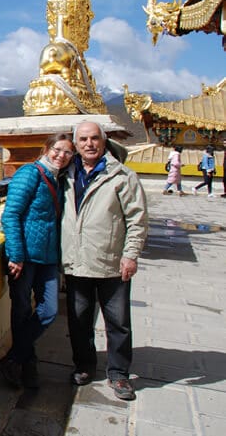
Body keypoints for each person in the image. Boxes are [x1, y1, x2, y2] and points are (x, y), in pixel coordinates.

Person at [60, 121, 148, 401]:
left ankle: (119, 374)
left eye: (94, 138)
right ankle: (84, 365)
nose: (89, 144)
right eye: (83, 139)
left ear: (103, 141)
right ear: (76, 144)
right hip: (76, 261)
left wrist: (130, 254)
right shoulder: (67, 174)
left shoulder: (121, 176)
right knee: (79, 320)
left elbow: (137, 220)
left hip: (111, 261)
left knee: (118, 322)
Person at [0, 133, 75, 389]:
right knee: (21, 310)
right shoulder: (30, 174)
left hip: (49, 257)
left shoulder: (61, 179)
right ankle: (26, 363)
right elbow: (11, 215)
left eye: (67, 153)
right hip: (25, 256)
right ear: (47, 148)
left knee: (48, 310)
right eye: (58, 149)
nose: (61, 156)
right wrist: (16, 256)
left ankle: (13, 358)